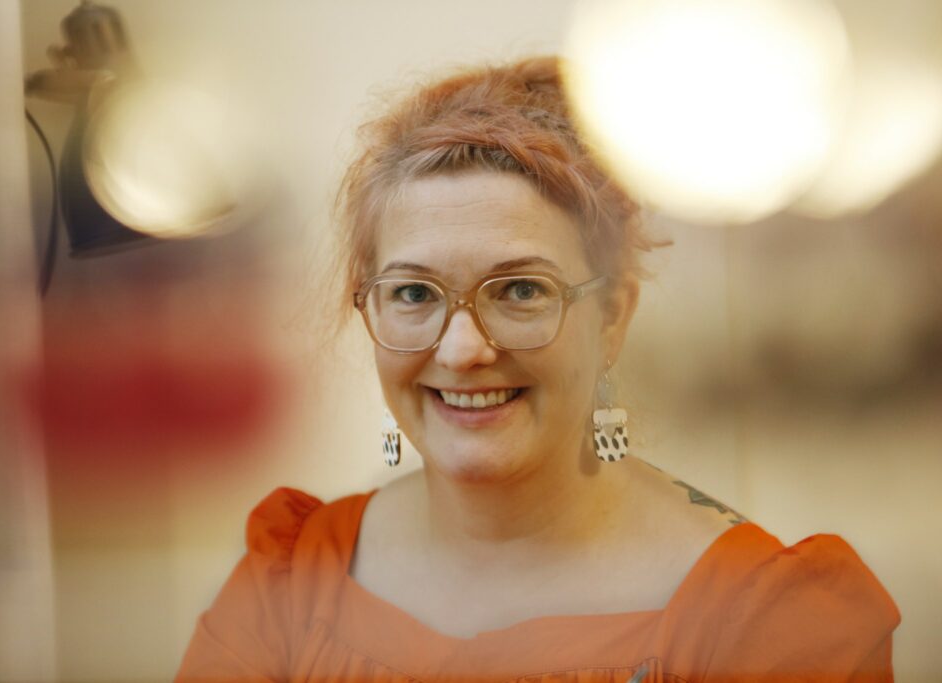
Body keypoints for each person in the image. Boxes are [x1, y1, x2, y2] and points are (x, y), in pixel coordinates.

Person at [175, 56, 899, 682]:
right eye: (415, 293)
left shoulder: (773, 627)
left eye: (520, 290)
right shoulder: (290, 584)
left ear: (613, 314)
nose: (461, 349)